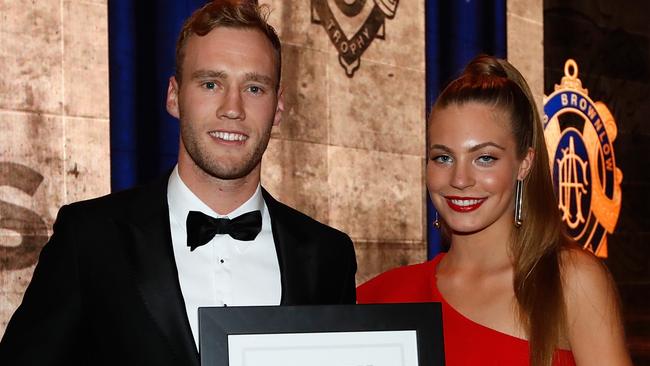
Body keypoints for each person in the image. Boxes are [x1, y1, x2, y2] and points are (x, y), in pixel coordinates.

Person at [0, 1, 356, 365]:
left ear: (277, 108)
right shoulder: (89, 238)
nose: (232, 108)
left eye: (254, 88)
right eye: (211, 83)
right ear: (174, 96)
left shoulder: (330, 256)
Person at [357, 55, 631, 366]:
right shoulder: (383, 297)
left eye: (485, 158)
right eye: (443, 158)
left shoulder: (569, 281)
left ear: (524, 164)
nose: (459, 179)